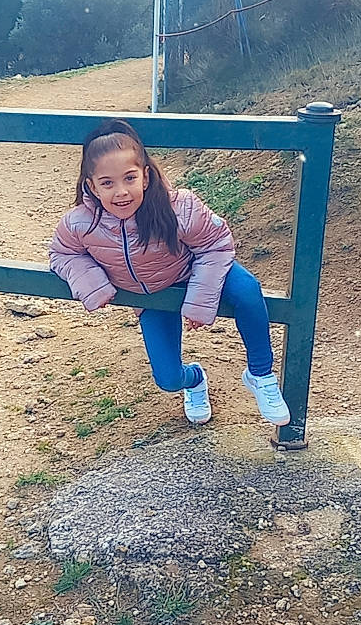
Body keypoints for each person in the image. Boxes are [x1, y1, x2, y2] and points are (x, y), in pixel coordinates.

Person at [49, 119, 290, 428]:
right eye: (107, 183)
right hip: (152, 297)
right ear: (92, 186)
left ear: (145, 177)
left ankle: (260, 374)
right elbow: (62, 254)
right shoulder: (81, 222)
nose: (121, 192)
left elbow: (215, 245)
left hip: (195, 271)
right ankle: (194, 380)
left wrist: (199, 300)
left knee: (247, 290)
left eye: (129, 178)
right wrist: (93, 285)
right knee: (168, 379)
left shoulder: (179, 206)